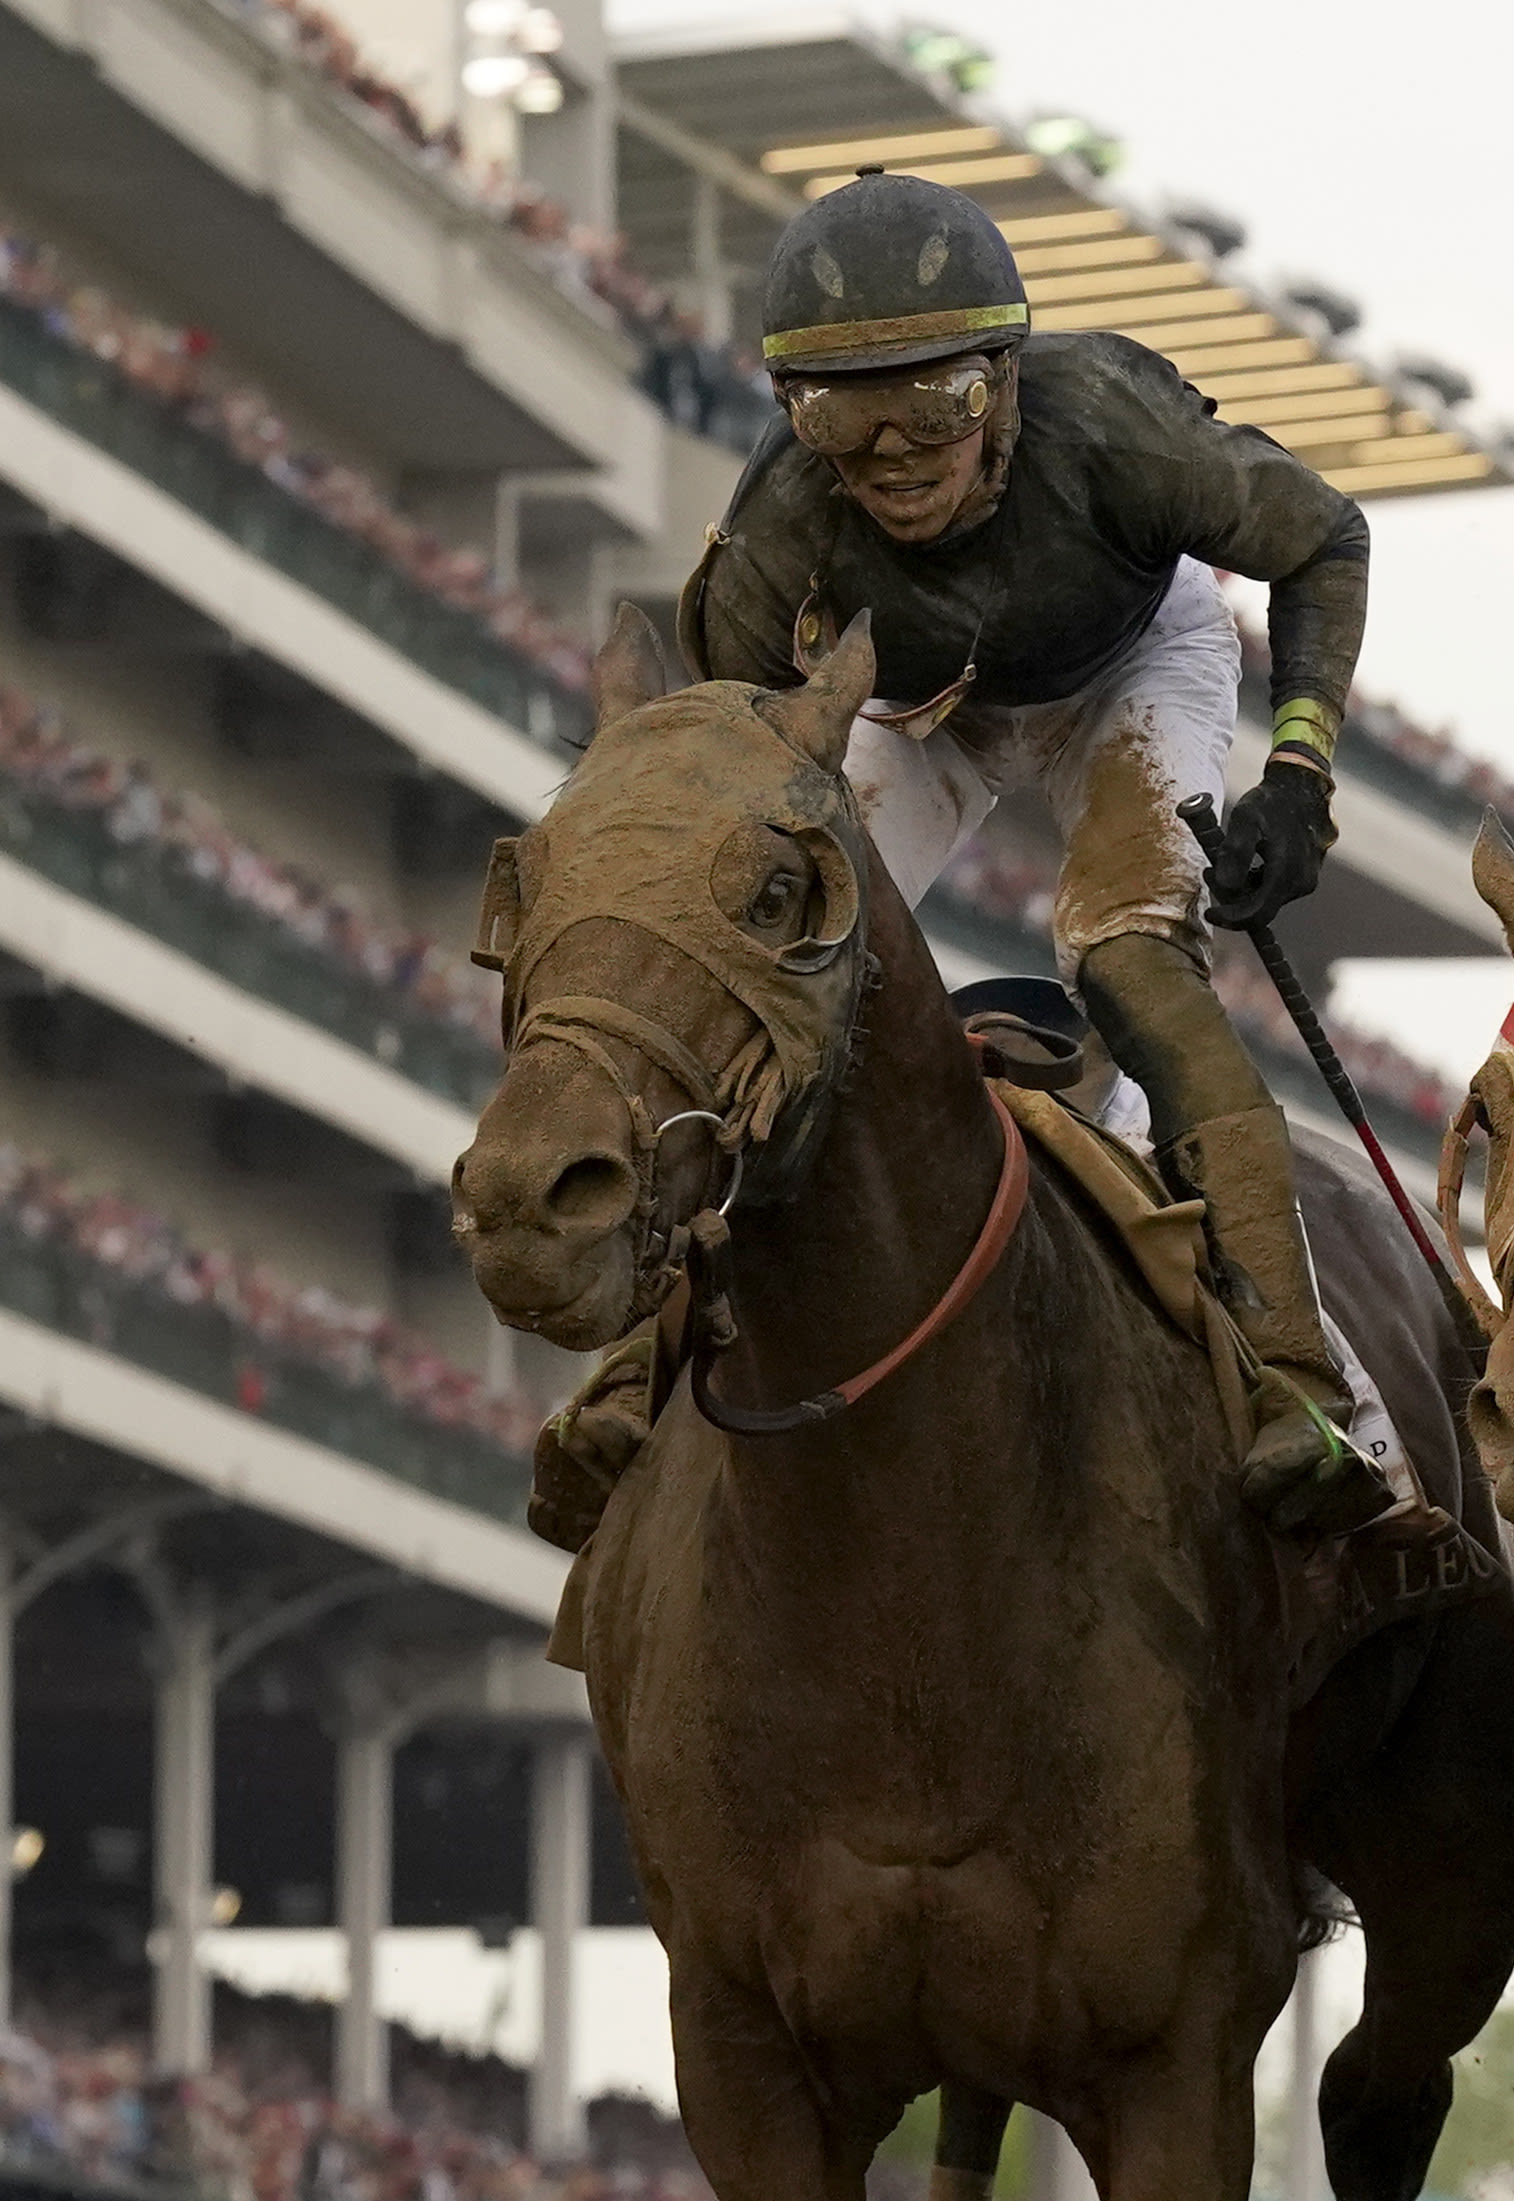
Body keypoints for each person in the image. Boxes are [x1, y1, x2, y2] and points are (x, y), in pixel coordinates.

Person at [533, 170, 1437, 1552]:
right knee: (763, 964)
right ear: (790, 413)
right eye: (841, 413)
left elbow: (1324, 537)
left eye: (937, 403)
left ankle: (1297, 1381)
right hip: (914, 699)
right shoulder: (776, 531)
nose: (892, 451)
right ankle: (639, 1358)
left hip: (1133, 661)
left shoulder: (1115, 426)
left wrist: (1300, 769)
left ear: (1006, 381)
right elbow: (723, 783)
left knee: (1126, 955)